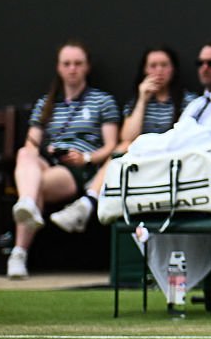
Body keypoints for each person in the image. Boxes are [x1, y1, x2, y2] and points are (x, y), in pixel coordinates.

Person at [50, 45, 196, 233]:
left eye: (164, 65)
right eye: (153, 66)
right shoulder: (136, 101)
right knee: (125, 145)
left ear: (173, 69)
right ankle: (88, 203)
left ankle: (89, 201)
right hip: (142, 161)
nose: (158, 71)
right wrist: (143, 99)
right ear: (145, 70)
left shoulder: (188, 100)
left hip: (173, 158)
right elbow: (127, 137)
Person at [7, 40, 119, 278]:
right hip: (48, 162)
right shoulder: (46, 103)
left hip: (80, 168)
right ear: (59, 68)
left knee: (33, 187)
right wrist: (45, 152)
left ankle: (18, 252)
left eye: (78, 63)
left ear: (87, 67)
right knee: (24, 154)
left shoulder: (103, 101)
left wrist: (86, 157)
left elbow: (111, 146)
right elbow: (32, 142)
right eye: (67, 64)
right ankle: (27, 204)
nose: (72, 69)